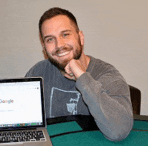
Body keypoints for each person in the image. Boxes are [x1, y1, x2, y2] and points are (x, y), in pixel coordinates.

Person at [25, 7, 133, 141]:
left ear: (80, 37)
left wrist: (82, 77)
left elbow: (118, 131)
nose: (59, 45)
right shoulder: (38, 72)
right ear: (44, 48)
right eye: (50, 39)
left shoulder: (107, 75)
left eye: (65, 34)